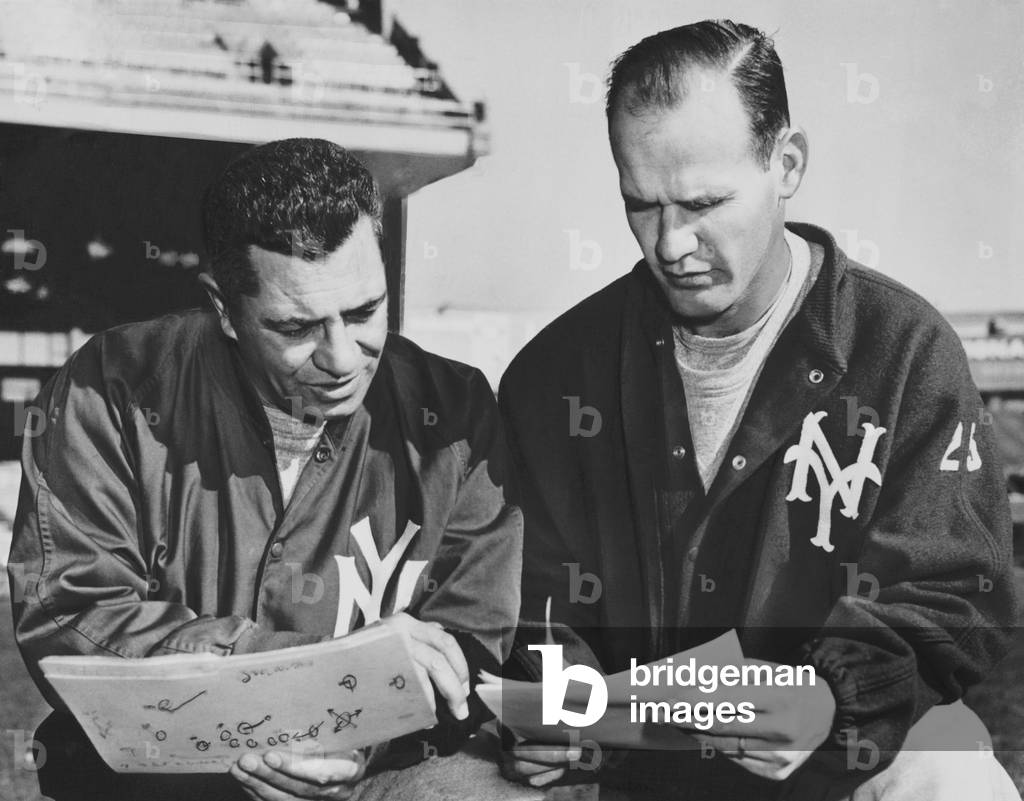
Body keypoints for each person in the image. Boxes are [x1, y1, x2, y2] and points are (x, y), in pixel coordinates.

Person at [498, 20, 1019, 801]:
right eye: (642, 205)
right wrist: (556, 698)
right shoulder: (553, 375)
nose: (672, 244)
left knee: (953, 778)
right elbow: (530, 594)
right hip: (635, 768)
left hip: (851, 747)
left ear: (787, 164)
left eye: (705, 202)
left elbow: (955, 590)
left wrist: (835, 692)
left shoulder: (904, 348)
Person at [8, 138, 523, 801]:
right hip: (168, 772)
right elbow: (71, 619)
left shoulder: (453, 409)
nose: (341, 357)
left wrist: (357, 730)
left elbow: (475, 629)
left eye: (364, 312)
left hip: (385, 762)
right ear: (223, 307)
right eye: (295, 327)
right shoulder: (105, 391)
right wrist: (297, 680)